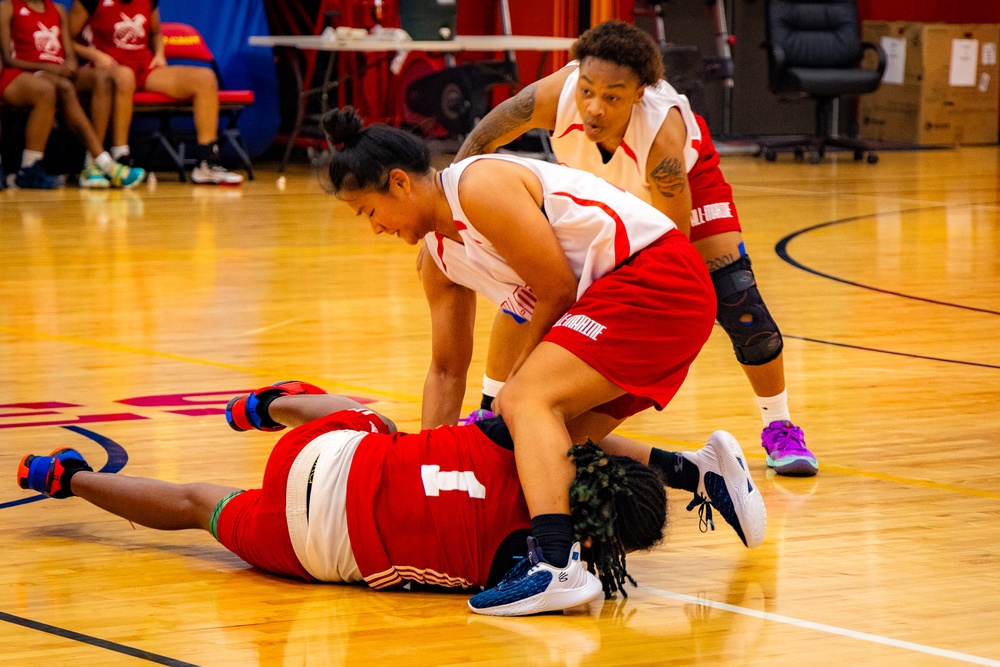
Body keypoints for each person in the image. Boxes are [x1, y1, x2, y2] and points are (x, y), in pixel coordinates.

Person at [321, 107, 765, 615]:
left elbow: (554, 287)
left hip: (656, 276)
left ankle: (556, 565)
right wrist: (424, 464)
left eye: (368, 211)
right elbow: (445, 371)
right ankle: (700, 472)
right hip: (619, 298)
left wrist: (517, 390)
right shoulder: (439, 259)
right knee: (536, 441)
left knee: (525, 402)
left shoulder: (478, 185)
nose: (374, 227)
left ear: (399, 183)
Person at [454, 20, 817, 477]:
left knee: (739, 300)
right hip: (596, 190)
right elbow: (481, 140)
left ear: (641, 92)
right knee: (533, 286)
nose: (594, 108)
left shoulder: (662, 139)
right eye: (587, 91)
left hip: (684, 191)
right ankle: (488, 410)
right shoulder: (554, 94)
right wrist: (451, 202)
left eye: (612, 96)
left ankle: (779, 426)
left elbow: (673, 256)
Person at [17, 380, 675, 615]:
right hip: (316, 549)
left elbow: (560, 420)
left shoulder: (526, 434)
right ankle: (65, 476)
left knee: (378, 421)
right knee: (196, 502)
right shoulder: (529, 564)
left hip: (322, 456)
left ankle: (269, 404)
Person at [67, 0, 243, 185]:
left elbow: (156, 32)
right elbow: (67, 40)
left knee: (205, 79)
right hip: (106, 68)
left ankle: (207, 164)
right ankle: (120, 156)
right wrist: (96, 55)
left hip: (143, 68)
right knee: (125, 76)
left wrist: (159, 54)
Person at [0, 0, 144, 188]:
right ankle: (29, 169)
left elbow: (69, 54)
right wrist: (47, 68)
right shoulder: (8, 6)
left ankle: (93, 163)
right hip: (21, 74)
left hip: (55, 74)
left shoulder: (57, 10)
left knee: (101, 79)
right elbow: (8, 59)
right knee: (51, 89)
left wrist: (68, 67)